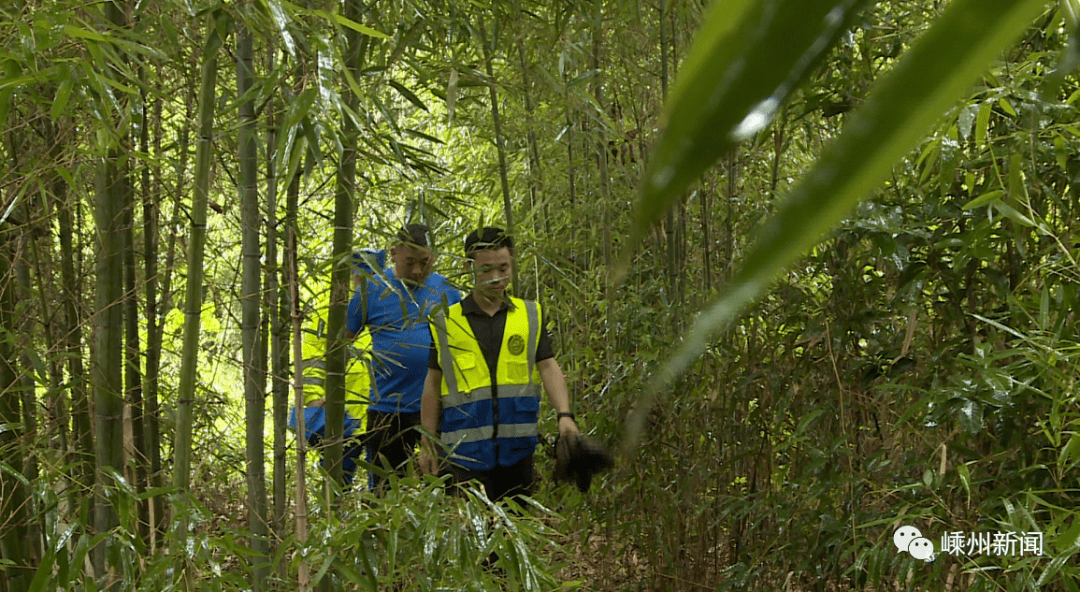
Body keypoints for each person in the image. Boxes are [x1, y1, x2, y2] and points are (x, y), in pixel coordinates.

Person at [419, 227, 580, 502]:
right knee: (472, 540)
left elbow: (548, 366)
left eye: (504, 267)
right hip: (462, 456)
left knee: (515, 534)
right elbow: (433, 384)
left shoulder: (530, 315)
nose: (496, 278)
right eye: (486, 269)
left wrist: (565, 415)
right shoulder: (446, 321)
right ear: (467, 267)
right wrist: (427, 442)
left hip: (517, 452)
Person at [347, 224, 461, 490]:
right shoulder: (371, 289)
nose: (418, 271)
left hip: (438, 410)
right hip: (388, 410)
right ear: (394, 253)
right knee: (385, 495)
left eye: (425, 262)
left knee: (443, 489)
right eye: (410, 262)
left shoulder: (446, 290)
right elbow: (343, 343)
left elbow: (461, 346)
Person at [289, 249, 383, 485]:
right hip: (340, 411)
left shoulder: (388, 307)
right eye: (359, 272)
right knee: (336, 482)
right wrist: (312, 397)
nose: (363, 278)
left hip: (381, 410)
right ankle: (331, 517)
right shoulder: (330, 309)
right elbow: (311, 359)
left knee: (383, 483)